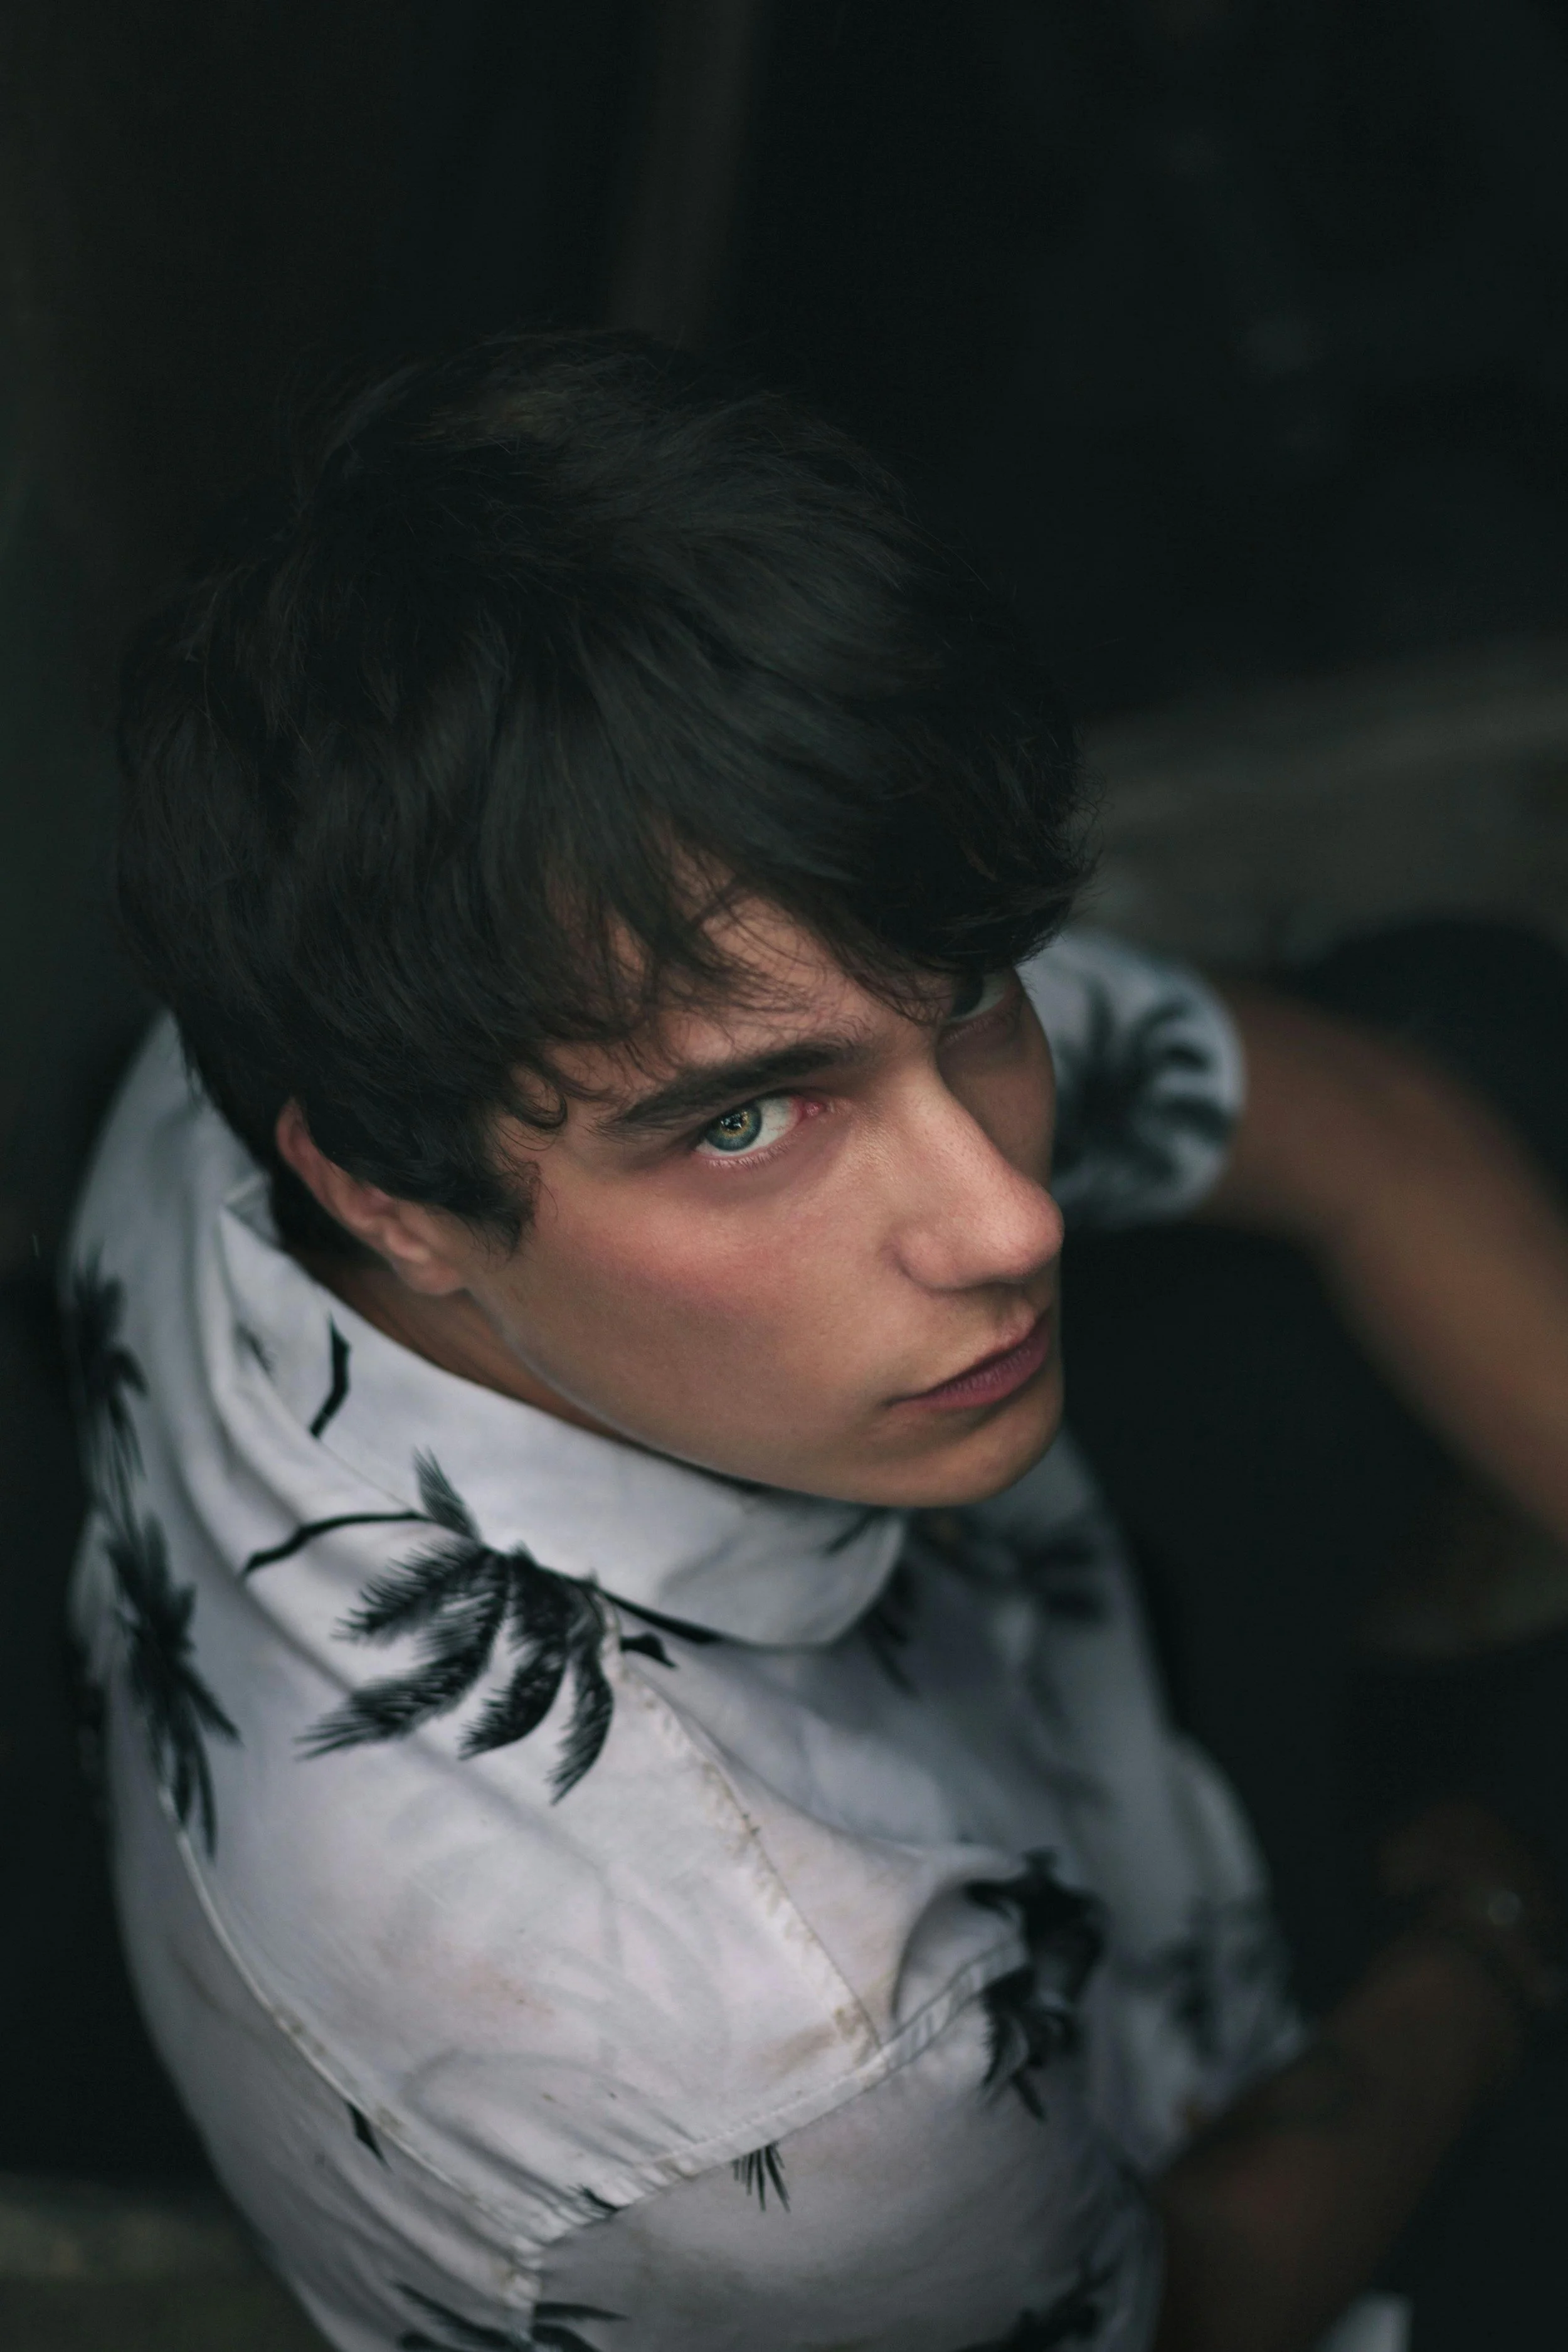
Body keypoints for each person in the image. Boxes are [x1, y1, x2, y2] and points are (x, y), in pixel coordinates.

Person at [66, 334, 1565, 2352]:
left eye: (967, 999)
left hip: (1039, 1677)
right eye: (749, 1120)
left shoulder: (302, 994)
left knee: (1466, 1026)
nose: (1007, 1219)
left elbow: (1349, 1130)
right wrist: (1475, 1952)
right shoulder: (800, 2073)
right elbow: (1179, 2311)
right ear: (388, 1198)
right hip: (1106, 2119)